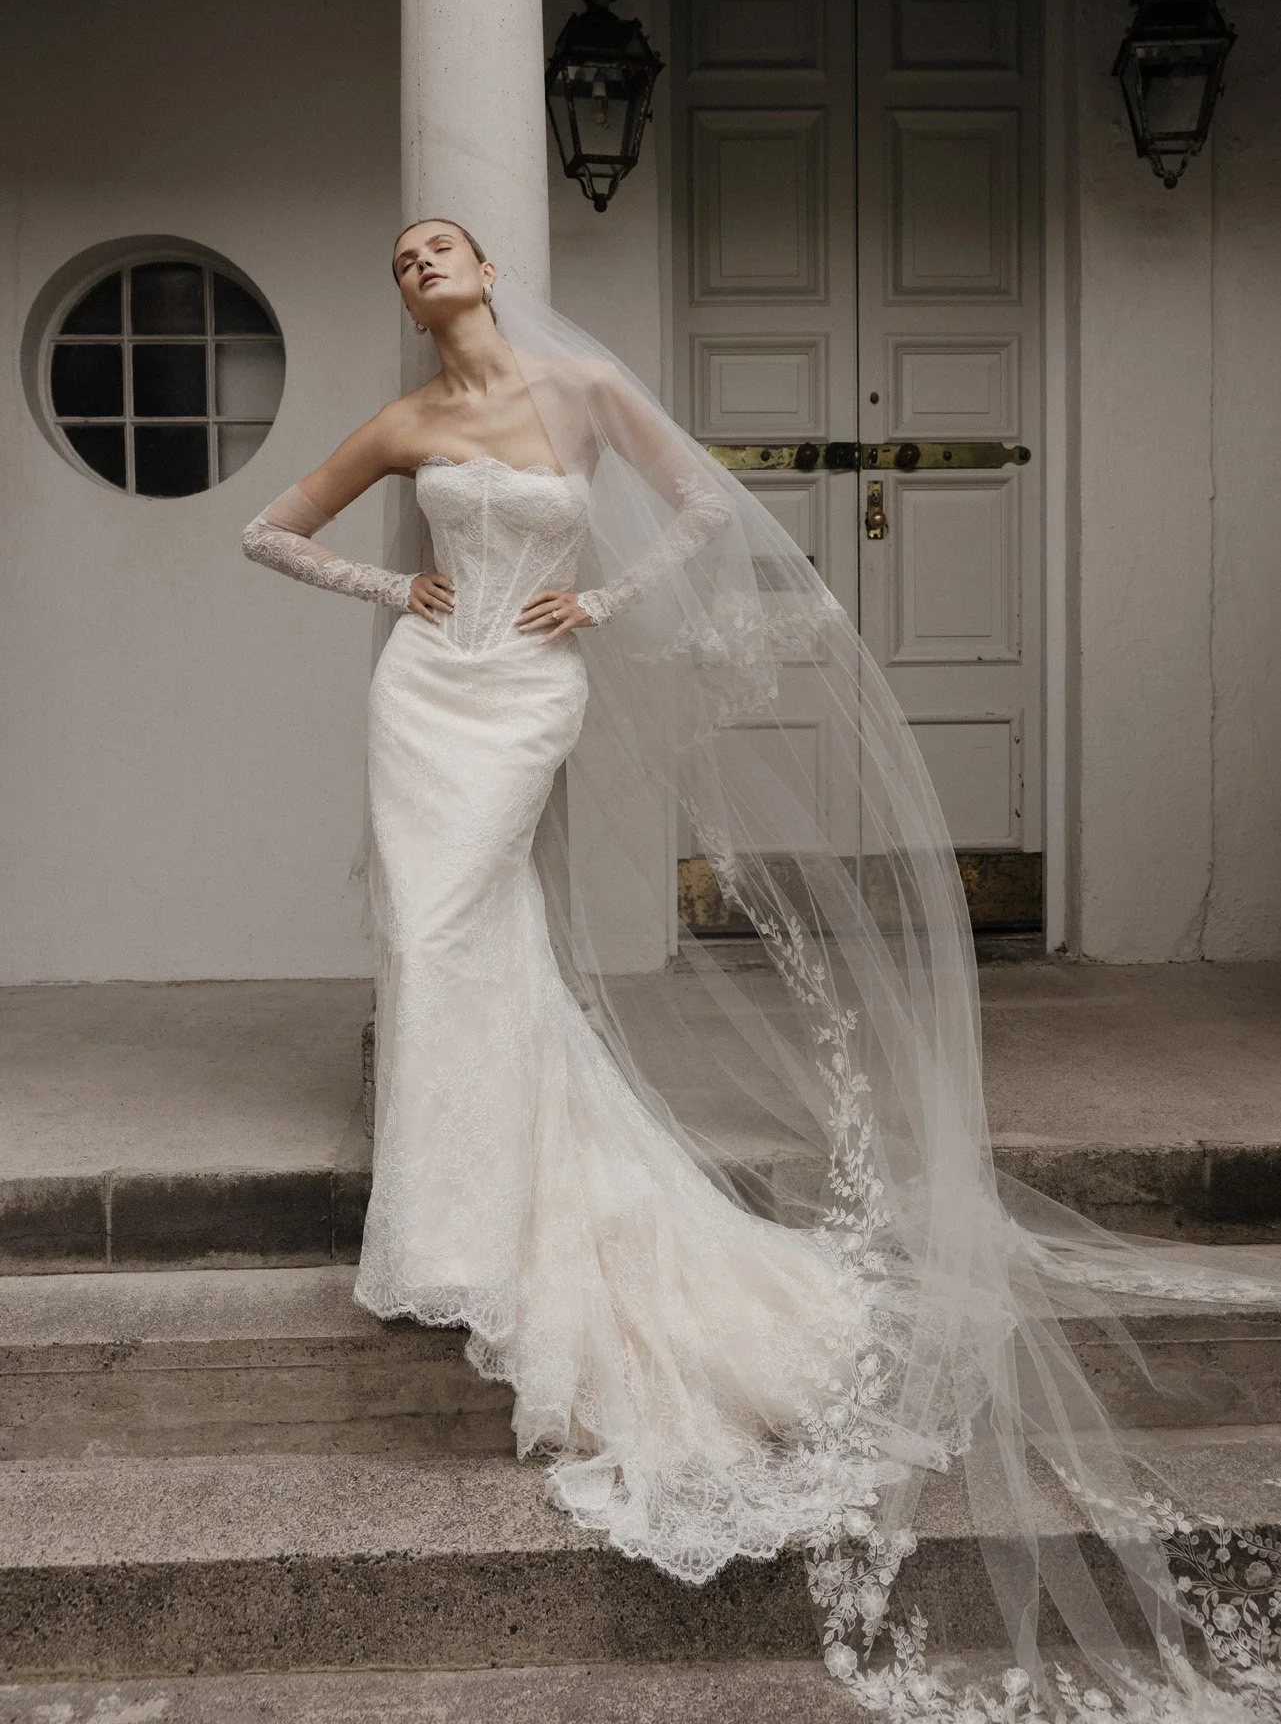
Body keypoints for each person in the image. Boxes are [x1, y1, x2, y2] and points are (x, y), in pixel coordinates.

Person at [244, 220, 1280, 1722]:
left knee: (472, 921)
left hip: (527, 693)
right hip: (424, 695)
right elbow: (266, 531)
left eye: (440, 244)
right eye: (399, 254)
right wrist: (383, 592)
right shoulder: (408, 424)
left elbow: (703, 510)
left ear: (484, 270)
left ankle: (511, 1202)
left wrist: (596, 601)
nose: (418, 260)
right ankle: (451, 1216)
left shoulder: (582, 388)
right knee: (431, 937)